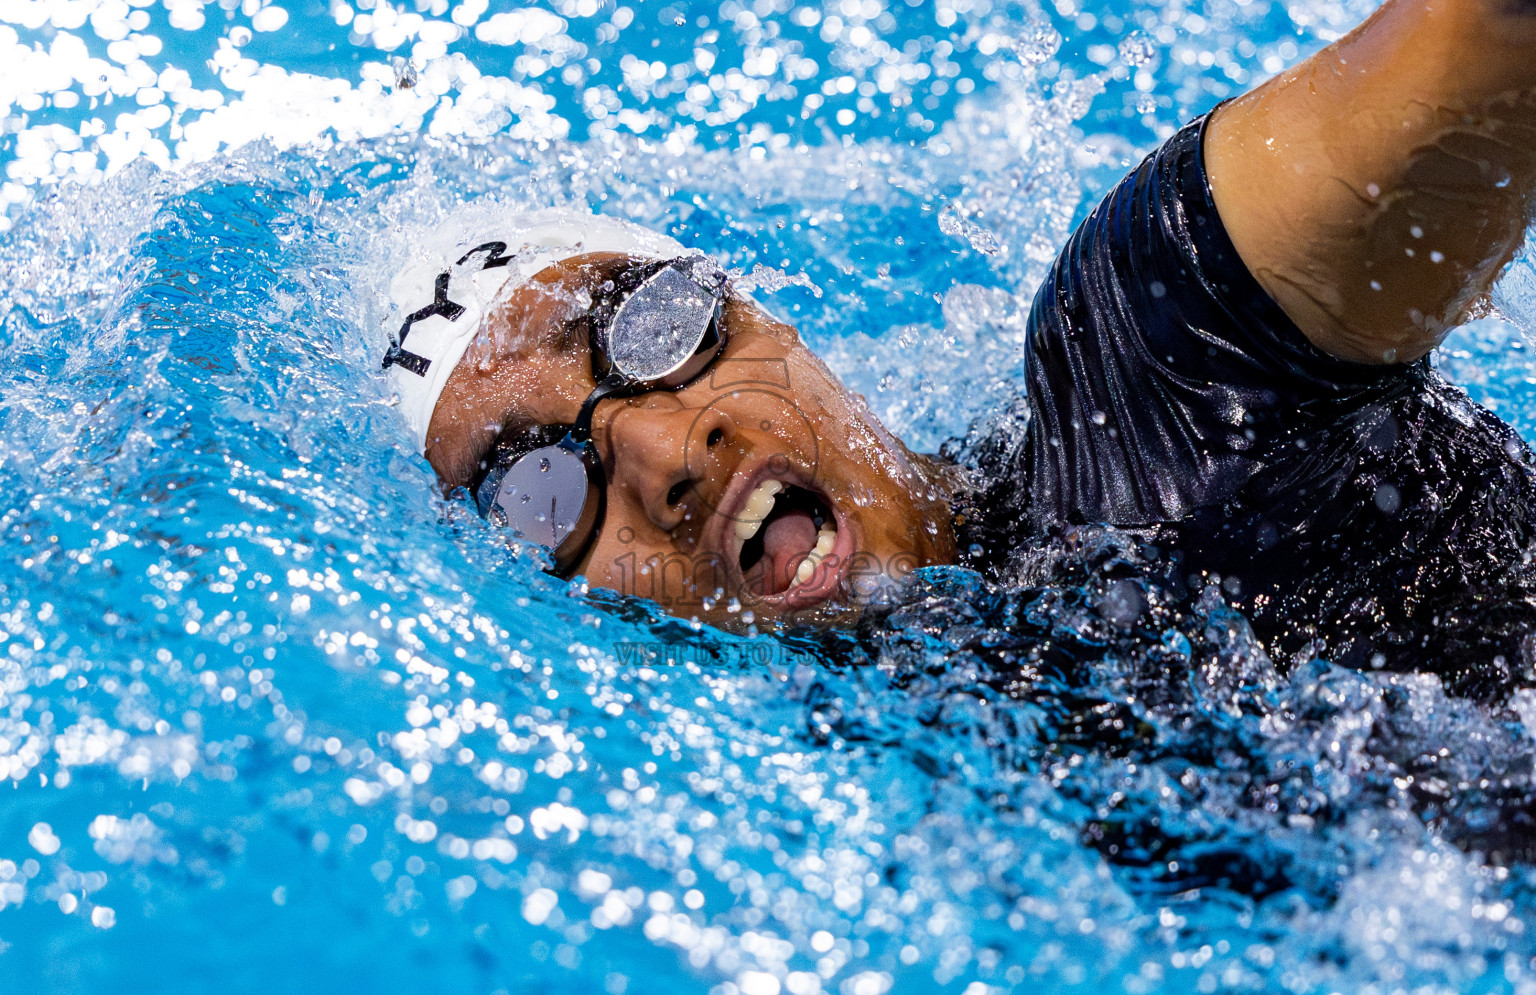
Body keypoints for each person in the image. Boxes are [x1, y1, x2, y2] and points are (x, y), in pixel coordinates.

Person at [383, 0, 1536, 697]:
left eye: (650, 327)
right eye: (540, 492)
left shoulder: (1158, 372)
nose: (662, 448)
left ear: (769, 320)